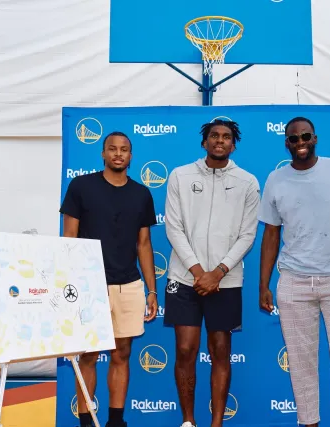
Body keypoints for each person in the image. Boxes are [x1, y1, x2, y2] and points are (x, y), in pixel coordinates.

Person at [258, 117, 330, 427]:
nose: (300, 142)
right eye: (294, 138)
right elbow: (270, 234)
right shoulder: (276, 180)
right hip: (293, 284)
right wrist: (264, 284)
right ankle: (308, 422)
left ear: (315, 139)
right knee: (300, 364)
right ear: (286, 143)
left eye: (305, 136)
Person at [164, 119, 260, 427]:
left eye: (227, 137)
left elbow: (247, 235)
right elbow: (173, 228)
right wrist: (197, 271)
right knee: (184, 349)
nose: (220, 140)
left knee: (220, 351)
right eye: (214, 136)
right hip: (183, 278)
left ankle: (216, 423)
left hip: (226, 281)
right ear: (204, 142)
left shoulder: (248, 182)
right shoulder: (180, 176)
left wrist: (217, 273)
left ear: (234, 144)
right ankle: (188, 421)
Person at [60, 131, 159, 427]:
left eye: (124, 150)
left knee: (122, 353)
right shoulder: (81, 186)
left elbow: (144, 244)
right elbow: (69, 238)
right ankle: (87, 422)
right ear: (103, 154)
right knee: (88, 355)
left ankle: (117, 421)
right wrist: (72, 286)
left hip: (128, 284)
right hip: (89, 286)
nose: (118, 154)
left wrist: (152, 290)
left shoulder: (142, 194)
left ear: (131, 156)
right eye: (112, 149)